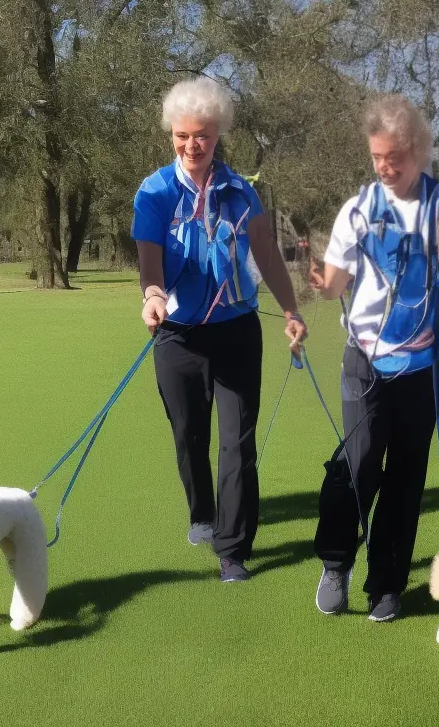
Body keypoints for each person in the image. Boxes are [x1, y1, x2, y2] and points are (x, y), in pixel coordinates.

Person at [132, 76, 307, 583]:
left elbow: (267, 255)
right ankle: (202, 513)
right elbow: (149, 261)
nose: (192, 145)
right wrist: (153, 296)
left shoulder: (240, 192)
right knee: (189, 435)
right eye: (183, 135)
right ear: (171, 135)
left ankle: (233, 549)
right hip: (177, 334)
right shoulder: (156, 191)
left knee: (237, 442)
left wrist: (292, 310)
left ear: (218, 135)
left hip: (235, 330)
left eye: (203, 135)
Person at [307, 94, 439, 622]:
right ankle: (336, 563)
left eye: (395, 155)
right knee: (356, 465)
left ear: (419, 150)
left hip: (421, 367)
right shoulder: (358, 209)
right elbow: (335, 283)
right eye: (377, 156)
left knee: (405, 478)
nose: (385, 166)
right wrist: (323, 282)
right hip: (365, 361)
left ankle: (386, 583)